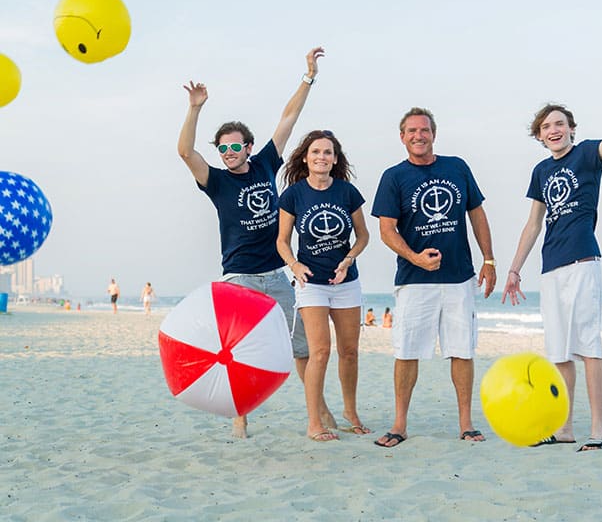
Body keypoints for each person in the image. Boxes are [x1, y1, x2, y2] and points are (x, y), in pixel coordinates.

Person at [177, 46, 335, 439]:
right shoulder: (216, 181)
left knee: (299, 347)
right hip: (239, 279)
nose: (229, 153)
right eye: (223, 148)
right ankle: (240, 415)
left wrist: (308, 77)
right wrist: (196, 108)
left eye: (236, 146)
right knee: (235, 352)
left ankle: (320, 410)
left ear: (248, 146)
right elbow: (184, 151)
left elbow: (289, 118)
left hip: (276, 275)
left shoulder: (265, 163)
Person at [501, 54, 602, 452]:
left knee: (588, 345)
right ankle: (564, 429)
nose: (554, 130)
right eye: (546, 127)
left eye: (560, 124)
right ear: (539, 137)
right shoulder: (541, 171)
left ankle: (598, 431)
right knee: (558, 352)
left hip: (583, 262)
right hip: (550, 267)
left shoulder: (589, 154)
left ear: (571, 129)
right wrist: (513, 269)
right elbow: (533, 224)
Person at [371, 107, 497, 447]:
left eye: (424, 130)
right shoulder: (394, 176)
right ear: (402, 137)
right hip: (414, 280)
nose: (418, 136)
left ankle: (466, 424)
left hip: (459, 278)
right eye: (411, 131)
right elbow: (386, 229)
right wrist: (415, 257)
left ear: (433, 134)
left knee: (462, 350)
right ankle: (399, 425)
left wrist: (489, 259)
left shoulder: (456, 167)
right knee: (407, 351)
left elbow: (477, 213)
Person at [276, 129, 371, 442]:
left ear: (335, 159)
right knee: (319, 352)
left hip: (346, 282)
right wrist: (295, 265)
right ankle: (314, 422)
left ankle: (350, 412)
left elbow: (363, 236)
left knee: (350, 352)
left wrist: (349, 259)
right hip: (311, 283)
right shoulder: (293, 194)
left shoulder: (347, 192)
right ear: (306, 157)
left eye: (327, 152)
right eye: (316, 152)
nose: (321, 157)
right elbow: (282, 241)